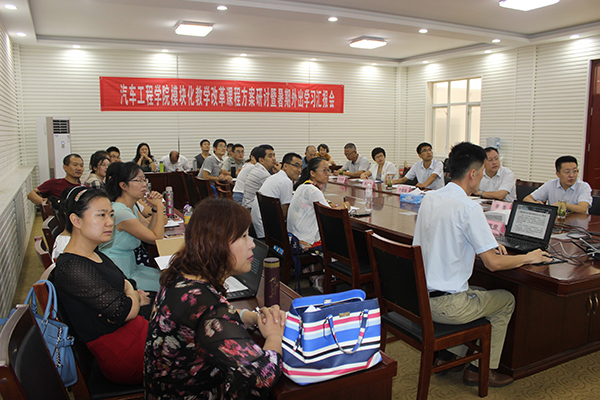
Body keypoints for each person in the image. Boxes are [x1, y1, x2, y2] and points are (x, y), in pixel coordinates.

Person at [413, 142, 550, 388]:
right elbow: (493, 264)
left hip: (418, 298)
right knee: (506, 300)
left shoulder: (430, 198)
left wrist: (488, 242)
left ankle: (448, 354)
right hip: (446, 306)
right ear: (473, 173)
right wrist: (529, 257)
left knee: (481, 292)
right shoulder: (469, 206)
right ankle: (481, 370)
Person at [145, 198, 285, 399]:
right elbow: (263, 376)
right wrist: (274, 336)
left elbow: (200, 321)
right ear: (217, 243)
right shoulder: (208, 306)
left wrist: (249, 317)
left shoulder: (180, 274)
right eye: (243, 236)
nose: (252, 244)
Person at [50, 186, 150, 385]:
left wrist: (128, 293)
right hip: (123, 353)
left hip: (132, 332)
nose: (110, 222)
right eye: (101, 215)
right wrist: (131, 296)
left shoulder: (94, 253)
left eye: (111, 215)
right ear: (76, 221)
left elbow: (127, 283)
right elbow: (125, 311)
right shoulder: (72, 268)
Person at [99, 162, 164, 292]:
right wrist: (160, 207)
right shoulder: (121, 212)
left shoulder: (130, 206)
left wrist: (155, 209)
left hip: (131, 266)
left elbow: (149, 230)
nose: (144, 184)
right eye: (138, 180)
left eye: (144, 180)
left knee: (168, 278)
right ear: (123, 186)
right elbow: (156, 238)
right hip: (119, 272)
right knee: (167, 284)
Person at [288, 158, 350, 249]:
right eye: (324, 170)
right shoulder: (313, 190)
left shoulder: (303, 186)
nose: (327, 173)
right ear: (312, 173)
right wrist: (345, 206)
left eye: (328, 170)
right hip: (304, 243)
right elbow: (330, 215)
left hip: (294, 237)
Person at [250, 152, 303, 238]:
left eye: (301, 167)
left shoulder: (274, 177)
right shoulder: (286, 181)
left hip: (258, 223)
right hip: (267, 228)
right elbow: (285, 213)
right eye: (296, 166)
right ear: (285, 166)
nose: (299, 170)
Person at [524, 155, 592, 214]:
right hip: (556, 222)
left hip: (576, 223)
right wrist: (536, 204)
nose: (572, 175)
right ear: (558, 174)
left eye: (575, 171)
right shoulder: (551, 184)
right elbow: (527, 199)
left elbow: (582, 209)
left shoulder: (583, 186)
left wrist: (562, 205)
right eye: (567, 172)